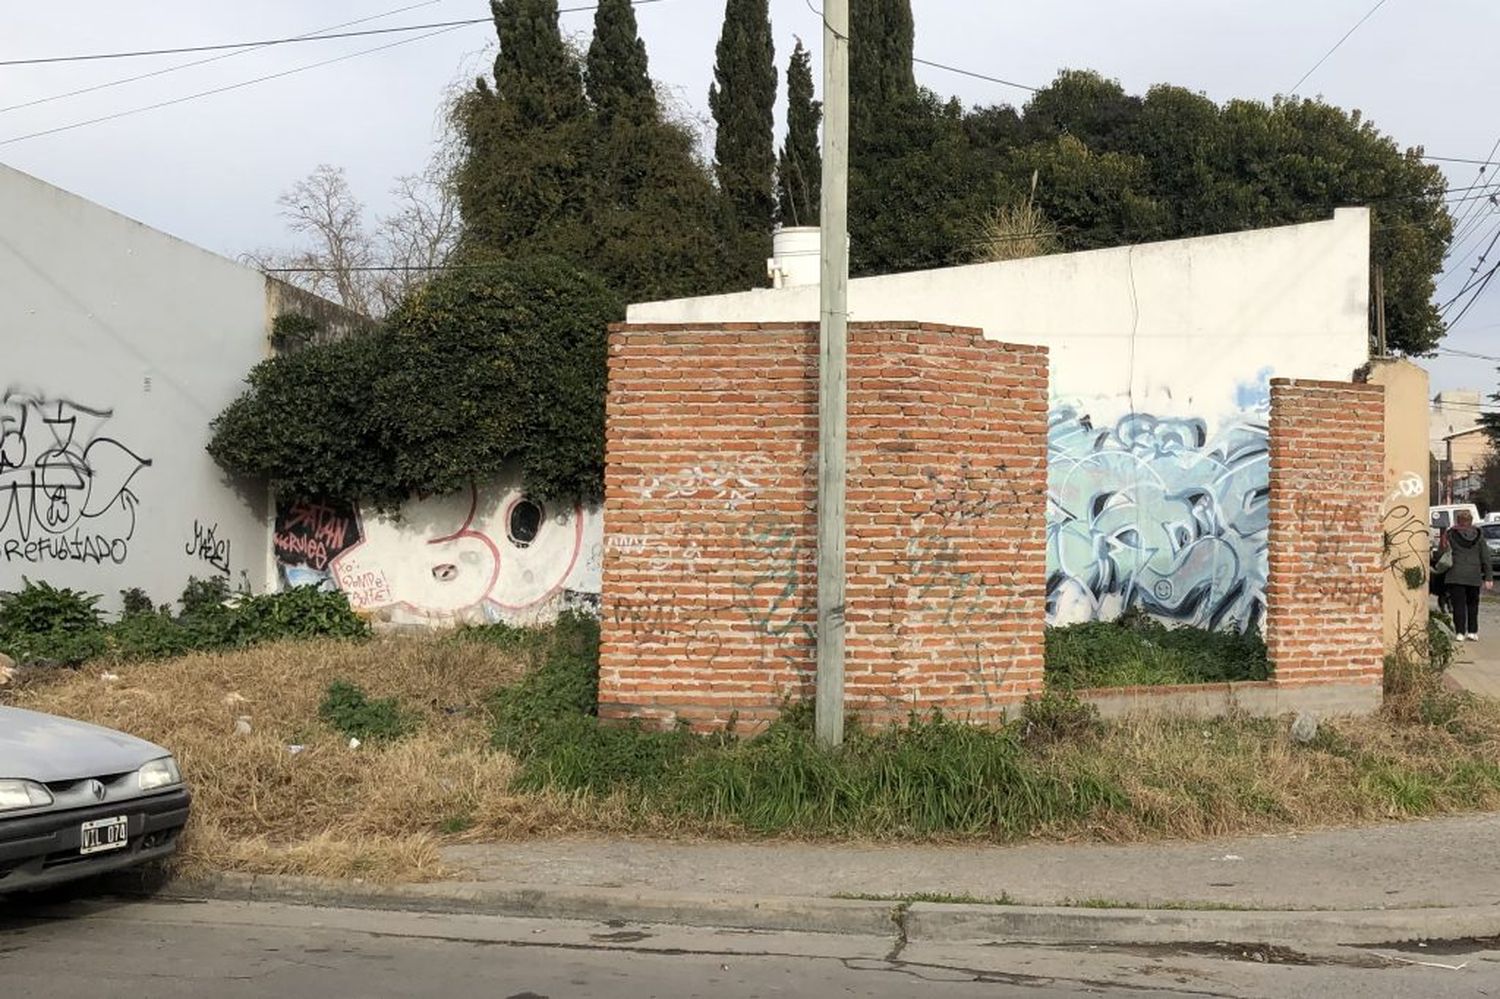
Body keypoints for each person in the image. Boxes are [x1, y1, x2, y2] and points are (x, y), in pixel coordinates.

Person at [1438, 510, 1493, 641]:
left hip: (1455, 575)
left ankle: (1460, 633)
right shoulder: (1479, 535)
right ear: (1471, 520)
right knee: (1473, 604)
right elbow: (1485, 556)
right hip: (1474, 575)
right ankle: (1473, 632)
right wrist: (1488, 577)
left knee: (1458, 605)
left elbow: (1442, 552)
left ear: (1458, 520)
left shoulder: (1450, 534)